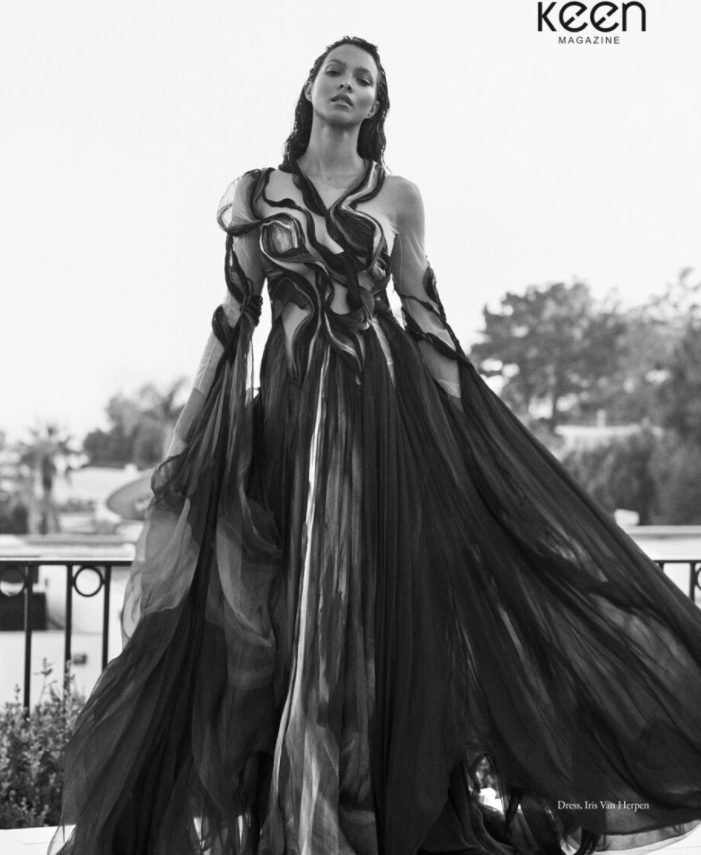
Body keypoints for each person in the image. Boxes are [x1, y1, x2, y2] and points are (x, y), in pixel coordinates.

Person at [50, 36, 701, 855]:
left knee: (362, 604)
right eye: (336, 71)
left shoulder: (398, 198)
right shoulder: (255, 192)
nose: (347, 85)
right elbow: (234, 314)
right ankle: (300, 804)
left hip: (380, 422)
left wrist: (474, 437)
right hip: (287, 423)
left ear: (375, 104)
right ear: (310, 87)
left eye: (364, 79)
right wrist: (191, 427)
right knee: (285, 606)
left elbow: (423, 317)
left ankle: (354, 804)